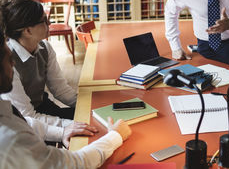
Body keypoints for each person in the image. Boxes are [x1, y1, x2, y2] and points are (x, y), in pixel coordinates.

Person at [0, 29, 132, 168]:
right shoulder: (11, 139)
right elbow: (76, 164)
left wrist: (62, 131)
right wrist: (115, 136)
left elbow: (27, 121)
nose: (13, 63)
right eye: (8, 58)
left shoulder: (7, 112)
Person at [0, 0, 85, 134]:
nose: (50, 23)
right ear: (27, 31)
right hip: (21, 122)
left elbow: (61, 90)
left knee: (90, 117)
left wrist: (89, 106)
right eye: (44, 21)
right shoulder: (8, 60)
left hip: (41, 107)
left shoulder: (45, 48)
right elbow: (27, 117)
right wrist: (70, 125)